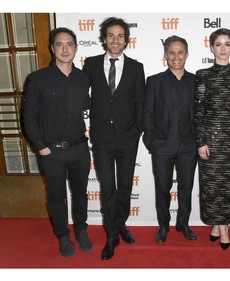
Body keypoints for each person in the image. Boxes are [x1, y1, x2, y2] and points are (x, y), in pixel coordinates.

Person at [23, 27, 92, 257]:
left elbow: (90, 106)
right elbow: (29, 117)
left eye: (69, 44)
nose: (65, 49)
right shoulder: (37, 79)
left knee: (81, 193)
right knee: (56, 196)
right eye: (60, 44)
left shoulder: (84, 77)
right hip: (51, 152)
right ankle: (63, 235)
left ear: (75, 48)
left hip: (80, 149)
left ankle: (81, 229)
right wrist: (41, 147)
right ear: (52, 48)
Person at [82, 17, 145, 261]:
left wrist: (137, 130)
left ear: (126, 40)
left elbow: (140, 101)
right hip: (101, 139)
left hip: (128, 137)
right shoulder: (91, 64)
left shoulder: (136, 67)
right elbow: (81, 93)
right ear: (104, 38)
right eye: (111, 35)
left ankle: (120, 223)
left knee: (125, 187)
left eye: (120, 36)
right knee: (108, 188)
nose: (115, 40)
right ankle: (111, 236)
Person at [194, 28, 230, 250]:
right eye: (218, 44)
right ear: (211, 47)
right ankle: (217, 224)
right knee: (210, 188)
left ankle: (223, 226)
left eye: (227, 44)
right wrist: (200, 141)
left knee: (228, 187)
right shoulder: (202, 75)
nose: (223, 49)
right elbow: (199, 111)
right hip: (209, 142)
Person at [143, 35, 198, 244]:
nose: (176, 56)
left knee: (186, 189)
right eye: (172, 52)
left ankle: (183, 224)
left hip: (188, 147)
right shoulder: (154, 81)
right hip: (162, 147)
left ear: (187, 54)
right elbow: (147, 114)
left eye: (180, 52)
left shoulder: (196, 81)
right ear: (165, 56)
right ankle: (163, 225)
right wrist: (151, 143)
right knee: (162, 189)